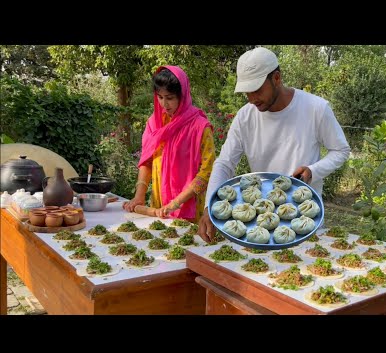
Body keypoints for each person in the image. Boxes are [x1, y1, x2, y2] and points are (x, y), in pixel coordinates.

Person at [198, 47, 350, 242]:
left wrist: (313, 171)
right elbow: (225, 163)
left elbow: (341, 150)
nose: (252, 99)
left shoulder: (316, 109)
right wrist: (209, 207)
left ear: (276, 78)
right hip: (257, 226)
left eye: (257, 90)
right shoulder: (245, 116)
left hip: (303, 224)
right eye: (247, 92)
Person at [123, 65, 215, 223]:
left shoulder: (200, 127)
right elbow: (147, 161)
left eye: (170, 98)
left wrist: (176, 203)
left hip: (188, 206)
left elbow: (207, 172)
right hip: (160, 206)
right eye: (160, 97)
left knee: (187, 245)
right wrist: (139, 195)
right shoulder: (155, 124)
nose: (164, 104)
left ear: (183, 95)